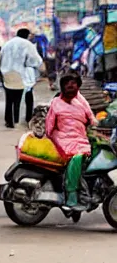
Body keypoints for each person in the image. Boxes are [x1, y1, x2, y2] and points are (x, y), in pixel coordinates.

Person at [45, 73, 97, 208]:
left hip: (80, 136)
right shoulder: (56, 103)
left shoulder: (81, 101)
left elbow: (91, 117)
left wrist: (93, 124)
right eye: (67, 84)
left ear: (78, 87)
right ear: (62, 87)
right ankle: (71, 194)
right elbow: (49, 126)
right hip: (62, 137)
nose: (70, 87)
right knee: (77, 156)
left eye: (73, 84)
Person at [0, 29, 43, 128]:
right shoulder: (28, 45)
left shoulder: (7, 44)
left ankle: (9, 120)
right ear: (27, 35)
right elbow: (36, 61)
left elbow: (0, 60)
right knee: (27, 97)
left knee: (10, 99)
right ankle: (27, 118)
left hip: (7, 74)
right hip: (22, 75)